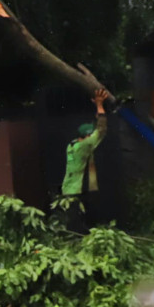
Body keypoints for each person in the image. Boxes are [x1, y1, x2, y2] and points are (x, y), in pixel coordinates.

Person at [60, 89, 110, 230]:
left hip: (70, 188)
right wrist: (99, 105)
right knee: (81, 224)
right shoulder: (85, 146)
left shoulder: (72, 144)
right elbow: (101, 130)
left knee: (75, 221)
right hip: (78, 190)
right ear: (87, 136)